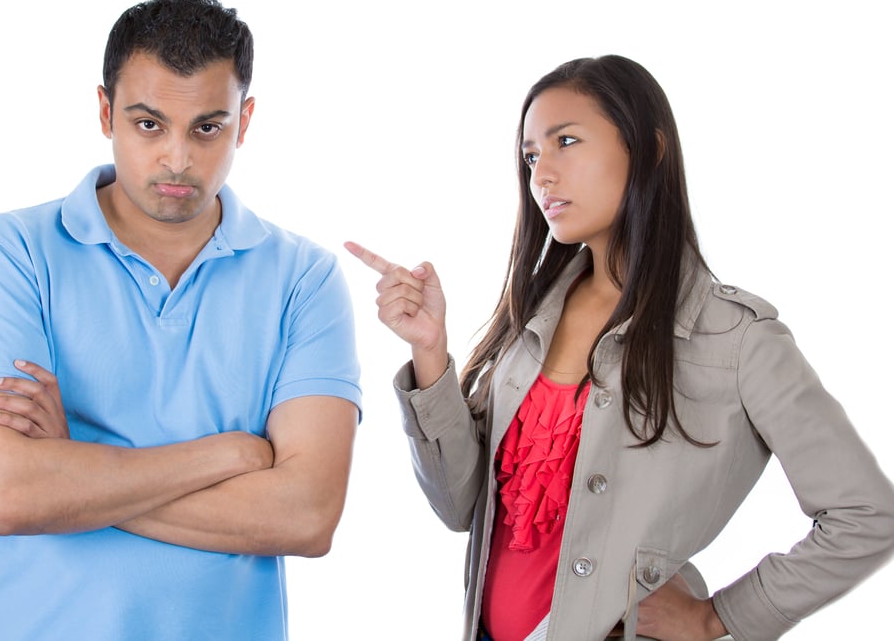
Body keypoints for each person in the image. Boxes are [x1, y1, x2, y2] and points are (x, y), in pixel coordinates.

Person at [345, 55, 894, 640]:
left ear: (649, 149)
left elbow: (867, 516)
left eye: (567, 141)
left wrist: (718, 617)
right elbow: (460, 508)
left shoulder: (737, 338)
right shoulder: (530, 320)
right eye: (532, 155)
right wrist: (431, 351)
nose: (542, 175)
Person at [0, 0, 361, 640]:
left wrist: (75, 468)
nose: (177, 158)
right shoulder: (13, 251)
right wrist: (231, 454)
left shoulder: (304, 278)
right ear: (106, 112)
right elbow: (12, 496)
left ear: (244, 121)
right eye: (148, 124)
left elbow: (306, 517)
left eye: (207, 127)